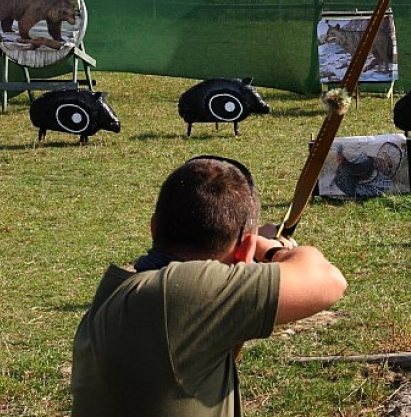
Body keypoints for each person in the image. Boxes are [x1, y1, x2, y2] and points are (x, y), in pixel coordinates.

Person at [71, 156, 347, 417]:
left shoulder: (126, 286)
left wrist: (249, 246)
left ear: (155, 227)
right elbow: (328, 279)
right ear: (245, 248)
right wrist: (273, 249)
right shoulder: (180, 295)